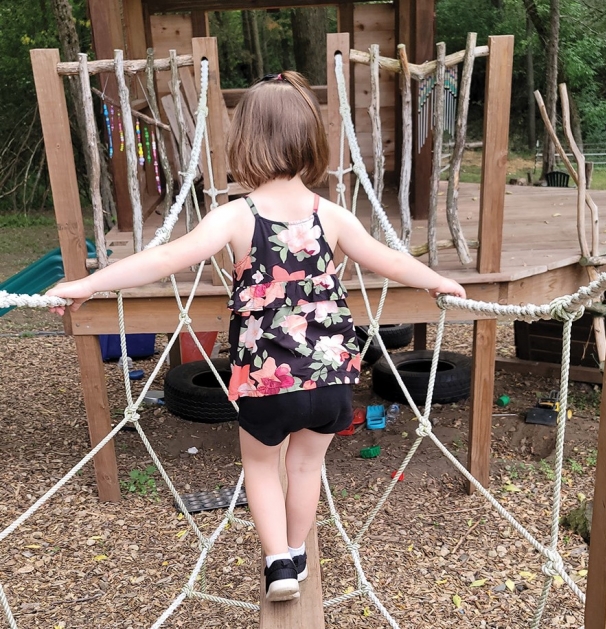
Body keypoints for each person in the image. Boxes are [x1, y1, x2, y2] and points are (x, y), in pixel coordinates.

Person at [47, 71, 466, 603]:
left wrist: (88, 283)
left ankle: (278, 565)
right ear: (311, 141)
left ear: (245, 142)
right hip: (331, 375)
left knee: (262, 467)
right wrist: (437, 281)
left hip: (267, 382)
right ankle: (298, 548)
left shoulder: (236, 217)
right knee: (307, 464)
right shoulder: (331, 216)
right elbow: (389, 259)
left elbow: (163, 259)